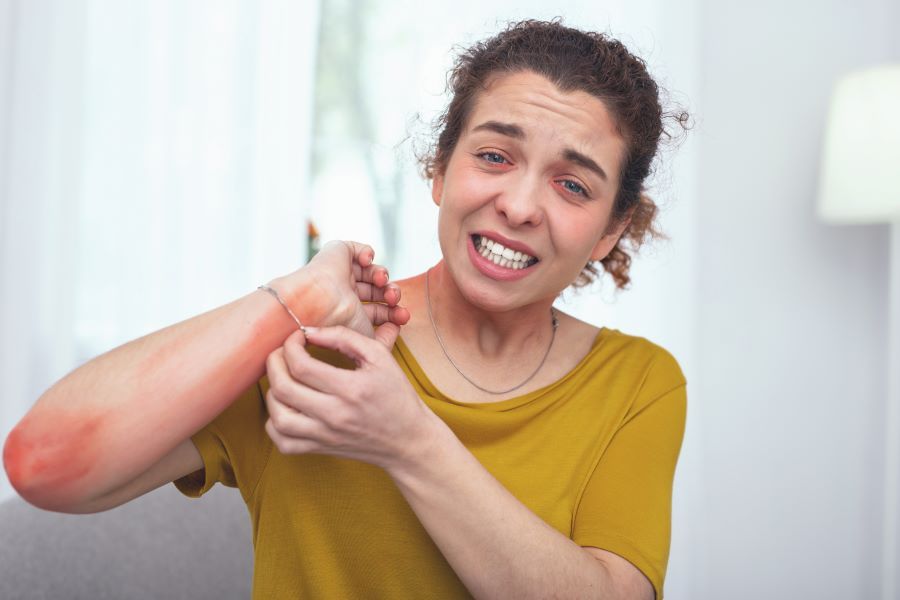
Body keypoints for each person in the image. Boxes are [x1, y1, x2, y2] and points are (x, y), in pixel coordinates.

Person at [3, 19, 688, 600]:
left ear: (609, 230)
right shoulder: (313, 347)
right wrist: (292, 301)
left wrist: (405, 438)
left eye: (571, 185)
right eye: (493, 155)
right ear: (440, 170)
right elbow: (44, 464)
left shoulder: (638, 383)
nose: (519, 205)